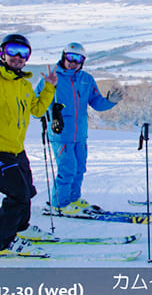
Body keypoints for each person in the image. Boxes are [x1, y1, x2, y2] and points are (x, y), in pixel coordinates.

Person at [35, 42, 123, 214]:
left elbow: (96, 103)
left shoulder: (86, 79)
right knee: (67, 169)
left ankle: (73, 199)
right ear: (63, 56)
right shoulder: (52, 77)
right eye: (70, 57)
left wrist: (110, 101)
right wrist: (50, 112)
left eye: (78, 59)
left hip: (80, 134)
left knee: (79, 168)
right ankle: (60, 204)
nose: (73, 62)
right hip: (60, 132)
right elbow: (37, 103)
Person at [0, 34, 57, 256]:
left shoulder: (24, 85)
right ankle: (3, 242)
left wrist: (49, 87)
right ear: (2, 52)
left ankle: (20, 229)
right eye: (12, 50)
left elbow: (37, 110)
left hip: (16, 149)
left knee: (27, 190)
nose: (17, 56)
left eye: (23, 52)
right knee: (17, 195)